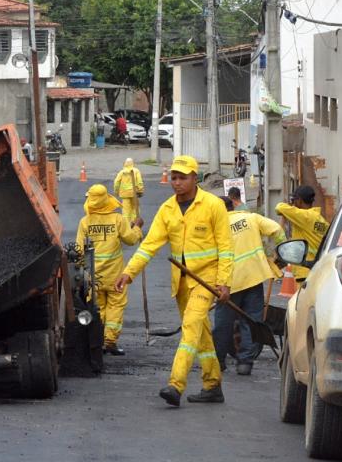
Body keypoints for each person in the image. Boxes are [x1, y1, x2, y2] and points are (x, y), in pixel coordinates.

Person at [115, 155, 233, 406]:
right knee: (201, 334)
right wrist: (129, 272)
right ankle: (213, 385)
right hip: (181, 281)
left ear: (195, 178)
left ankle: (175, 385)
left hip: (206, 279)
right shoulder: (167, 209)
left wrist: (224, 282)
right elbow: (149, 245)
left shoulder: (213, 205)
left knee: (190, 327)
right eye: (174, 178)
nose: (177, 182)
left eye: (182, 178)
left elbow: (226, 247)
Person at [213, 196, 285, 376]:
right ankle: (245, 363)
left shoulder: (216, 227)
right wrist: (280, 253)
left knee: (223, 323)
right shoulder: (251, 218)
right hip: (254, 277)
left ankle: (219, 361)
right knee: (251, 321)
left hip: (228, 282)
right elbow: (277, 229)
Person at [76, 184, 143, 355]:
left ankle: (97, 340)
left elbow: (78, 250)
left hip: (94, 276)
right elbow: (130, 239)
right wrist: (137, 227)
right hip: (115, 276)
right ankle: (110, 341)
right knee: (116, 306)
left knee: (98, 308)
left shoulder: (85, 221)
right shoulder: (117, 219)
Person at [275, 185, 330, 285]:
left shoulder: (304, 216)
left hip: (305, 271)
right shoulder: (320, 220)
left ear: (299, 200)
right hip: (317, 270)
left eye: (294, 199)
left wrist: (290, 206)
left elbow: (279, 207)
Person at [113, 158, 145, 224]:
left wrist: (116, 191)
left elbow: (116, 182)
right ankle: (135, 223)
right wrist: (140, 191)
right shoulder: (136, 171)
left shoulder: (122, 172)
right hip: (134, 193)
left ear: (125, 163)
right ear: (133, 163)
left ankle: (127, 225)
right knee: (135, 209)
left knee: (126, 211)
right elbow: (140, 182)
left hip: (125, 194)